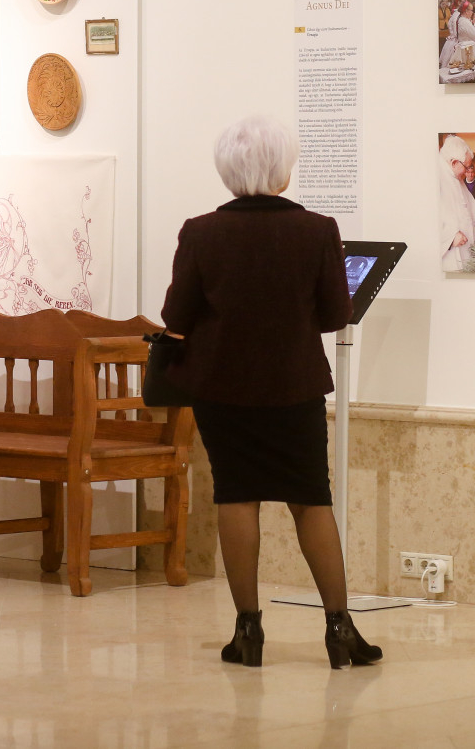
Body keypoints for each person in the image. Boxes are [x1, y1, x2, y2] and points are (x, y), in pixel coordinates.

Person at [160, 116, 380, 671]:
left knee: (237, 496)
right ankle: (340, 629)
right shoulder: (318, 230)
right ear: (283, 170)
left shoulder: (200, 232)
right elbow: (335, 314)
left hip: (222, 389)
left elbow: (175, 316)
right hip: (294, 387)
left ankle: (247, 633)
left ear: (228, 170)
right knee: (311, 499)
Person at [439, 135, 475, 271]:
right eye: (466, 167)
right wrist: (450, 238)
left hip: (466, 249)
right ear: (454, 162)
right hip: (450, 254)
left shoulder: (456, 176)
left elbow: (470, 203)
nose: (468, 171)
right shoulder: (434, 177)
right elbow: (424, 220)